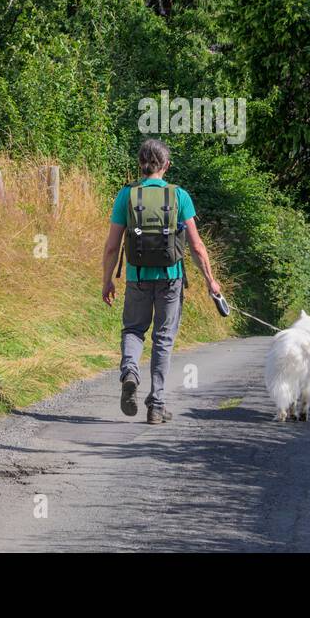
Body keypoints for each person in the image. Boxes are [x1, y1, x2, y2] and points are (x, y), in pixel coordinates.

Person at [101, 138, 220, 424]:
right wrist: (210, 280)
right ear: (165, 165)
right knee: (163, 339)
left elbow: (111, 247)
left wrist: (107, 280)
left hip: (137, 277)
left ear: (140, 165)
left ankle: (130, 370)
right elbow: (196, 245)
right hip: (171, 278)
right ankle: (156, 405)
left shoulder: (126, 195)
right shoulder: (179, 196)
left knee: (133, 329)